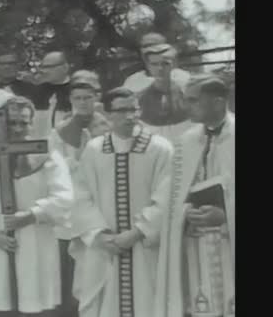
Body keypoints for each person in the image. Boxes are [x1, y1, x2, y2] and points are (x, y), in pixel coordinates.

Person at [0, 96, 74, 317]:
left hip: (36, 241)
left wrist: (32, 215)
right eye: (12, 122)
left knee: (34, 305)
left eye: (23, 122)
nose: (17, 128)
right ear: (1, 124)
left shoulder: (46, 154)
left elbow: (65, 197)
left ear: (32, 123)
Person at [69, 87, 173, 317]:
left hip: (146, 247)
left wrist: (137, 232)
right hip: (105, 248)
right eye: (122, 110)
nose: (130, 116)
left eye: (134, 109)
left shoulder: (160, 148)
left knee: (150, 303)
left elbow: (168, 196)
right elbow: (81, 195)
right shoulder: (94, 150)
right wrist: (99, 234)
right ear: (107, 114)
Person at [154, 75, 235, 317]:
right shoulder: (185, 142)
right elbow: (172, 195)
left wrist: (225, 215)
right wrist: (186, 211)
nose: (186, 106)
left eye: (193, 101)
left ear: (219, 102)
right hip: (197, 246)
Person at [48, 82, 111, 317]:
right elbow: (56, 166)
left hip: (104, 198)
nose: (83, 103)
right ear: (71, 101)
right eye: (78, 98)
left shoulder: (109, 126)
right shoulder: (59, 132)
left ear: (96, 98)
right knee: (76, 270)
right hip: (74, 202)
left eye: (88, 97)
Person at [34, 51, 72, 136]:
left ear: (65, 68)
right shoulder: (37, 92)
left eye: (49, 67)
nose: (44, 71)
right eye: (43, 67)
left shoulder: (76, 92)